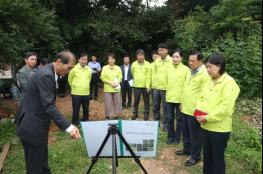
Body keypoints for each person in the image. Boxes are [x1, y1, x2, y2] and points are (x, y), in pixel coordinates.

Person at [15, 50, 81, 174]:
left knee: (42, 164)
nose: (69, 71)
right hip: (32, 127)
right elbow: (49, 106)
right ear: (59, 62)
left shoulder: (47, 71)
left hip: (36, 125)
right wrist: (69, 127)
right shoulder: (46, 75)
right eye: (69, 67)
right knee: (35, 168)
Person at [196, 53, 240, 174]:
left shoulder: (229, 83)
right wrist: (199, 113)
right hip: (206, 126)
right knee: (207, 159)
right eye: (206, 67)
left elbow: (225, 108)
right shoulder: (208, 81)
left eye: (210, 67)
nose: (207, 70)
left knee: (217, 161)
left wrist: (208, 118)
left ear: (219, 66)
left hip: (219, 130)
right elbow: (201, 97)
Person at [176, 51, 209, 166]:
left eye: (192, 61)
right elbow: (185, 88)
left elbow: (205, 95)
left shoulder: (205, 74)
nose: (190, 63)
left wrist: (201, 112)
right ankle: (187, 149)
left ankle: (195, 156)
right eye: (189, 60)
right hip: (185, 107)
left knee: (195, 135)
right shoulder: (190, 71)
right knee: (185, 132)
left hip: (195, 111)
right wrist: (181, 102)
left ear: (200, 61)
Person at [166, 49, 190, 145]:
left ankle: (177, 138)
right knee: (170, 119)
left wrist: (183, 99)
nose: (175, 59)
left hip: (180, 99)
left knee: (179, 120)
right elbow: (166, 82)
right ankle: (170, 137)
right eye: (173, 57)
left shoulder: (186, 69)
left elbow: (186, 85)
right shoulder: (168, 67)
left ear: (181, 58)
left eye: (177, 57)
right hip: (169, 98)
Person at [152, 43, 172, 131]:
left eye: (162, 50)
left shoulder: (172, 60)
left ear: (167, 50)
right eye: (159, 50)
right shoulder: (157, 61)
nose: (160, 52)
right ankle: (156, 123)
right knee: (155, 106)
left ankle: (165, 125)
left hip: (166, 88)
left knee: (165, 107)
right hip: (156, 87)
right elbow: (155, 73)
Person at [68, 53, 92, 126]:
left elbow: (89, 79)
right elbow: (70, 79)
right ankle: (75, 122)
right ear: (79, 60)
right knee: (76, 108)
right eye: (82, 59)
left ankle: (85, 120)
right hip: (76, 93)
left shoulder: (88, 69)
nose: (84, 61)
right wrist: (74, 86)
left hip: (86, 92)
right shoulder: (74, 68)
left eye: (85, 59)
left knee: (86, 108)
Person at [100, 53, 122, 120]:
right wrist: (110, 83)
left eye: (112, 59)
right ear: (108, 60)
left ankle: (116, 115)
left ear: (114, 60)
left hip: (116, 88)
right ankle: (107, 116)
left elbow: (120, 77)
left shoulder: (118, 68)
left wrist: (117, 82)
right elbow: (102, 77)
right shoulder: (104, 67)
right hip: (108, 88)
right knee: (108, 103)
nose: (111, 60)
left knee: (117, 102)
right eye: (109, 59)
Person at [131, 49, 151, 120]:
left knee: (146, 102)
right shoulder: (133, 64)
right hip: (136, 86)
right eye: (139, 55)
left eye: (141, 55)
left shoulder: (148, 64)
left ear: (144, 56)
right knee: (136, 101)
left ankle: (146, 114)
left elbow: (149, 76)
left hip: (145, 87)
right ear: (137, 56)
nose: (140, 57)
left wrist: (148, 86)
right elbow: (132, 73)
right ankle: (134, 114)